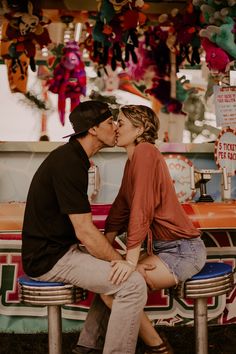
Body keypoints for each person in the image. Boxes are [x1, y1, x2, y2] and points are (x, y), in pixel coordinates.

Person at [76, 105, 207, 354]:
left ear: (140, 129)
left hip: (183, 252)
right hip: (166, 250)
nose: (115, 127)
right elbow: (122, 207)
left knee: (117, 285)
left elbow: (141, 209)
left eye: (121, 123)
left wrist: (130, 260)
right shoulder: (133, 159)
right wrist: (106, 242)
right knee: (109, 278)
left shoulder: (146, 152)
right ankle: (87, 345)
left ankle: (158, 347)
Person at [21, 100, 148, 354]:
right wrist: (121, 262)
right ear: (93, 129)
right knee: (131, 282)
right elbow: (86, 232)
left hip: (58, 251)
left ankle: (87, 346)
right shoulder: (68, 163)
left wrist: (118, 261)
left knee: (115, 271)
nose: (115, 127)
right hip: (50, 258)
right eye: (110, 122)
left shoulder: (73, 158)